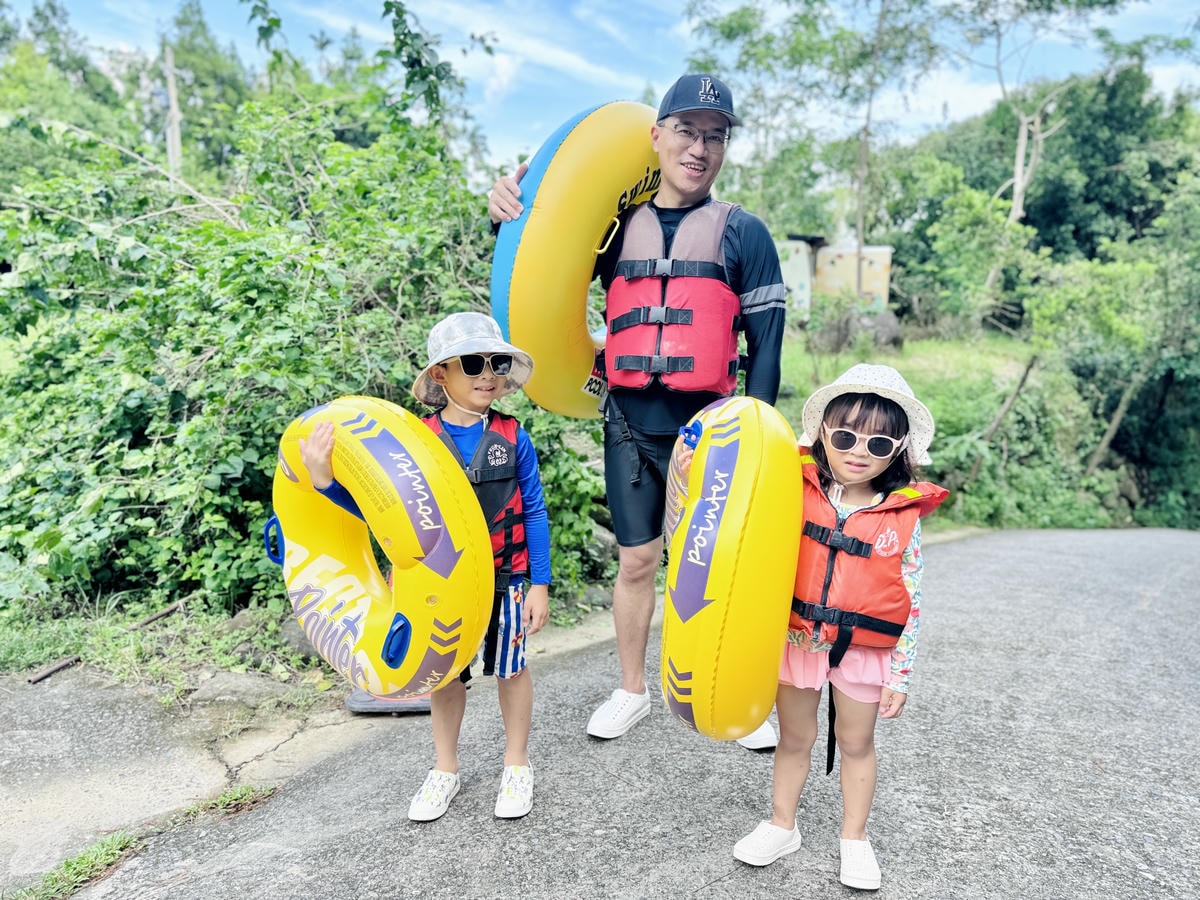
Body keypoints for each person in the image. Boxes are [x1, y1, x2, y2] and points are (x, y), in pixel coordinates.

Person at [489, 73, 787, 748]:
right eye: (686, 131)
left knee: (719, 566)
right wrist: (504, 208)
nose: (699, 148)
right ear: (656, 136)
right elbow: (539, 265)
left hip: (710, 430)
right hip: (628, 421)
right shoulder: (616, 227)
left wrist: (755, 443)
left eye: (715, 136)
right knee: (637, 562)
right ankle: (631, 689)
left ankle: (730, 688)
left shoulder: (746, 234)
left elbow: (767, 348)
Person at [298, 312, 552, 822]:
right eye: (473, 363)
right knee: (444, 676)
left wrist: (540, 583)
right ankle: (445, 769)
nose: (488, 374)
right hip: (438, 585)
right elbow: (381, 511)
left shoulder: (513, 437)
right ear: (441, 374)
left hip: (508, 576)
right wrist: (325, 480)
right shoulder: (414, 442)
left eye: (497, 363)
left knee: (512, 667)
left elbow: (534, 509)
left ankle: (517, 764)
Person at [731, 364, 948, 891]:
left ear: (898, 449)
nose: (858, 452)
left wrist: (900, 674)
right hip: (797, 640)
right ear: (823, 434)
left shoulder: (900, 515)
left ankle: (855, 837)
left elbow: (913, 597)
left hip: (864, 649)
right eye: (846, 436)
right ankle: (782, 824)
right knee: (794, 737)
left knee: (856, 742)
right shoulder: (792, 484)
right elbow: (736, 503)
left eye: (878, 443)